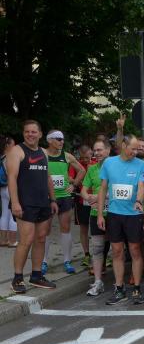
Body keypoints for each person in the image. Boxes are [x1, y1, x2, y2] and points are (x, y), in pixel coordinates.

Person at [96, 135, 144, 305]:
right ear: (124, 145)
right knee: (117, 251)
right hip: (114, 214)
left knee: (135, 250)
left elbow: (141, 186)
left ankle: (137, 288)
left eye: (137, 149)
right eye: (133, 148)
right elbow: (103, 189)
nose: (136, 152)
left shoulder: (141, 164)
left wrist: (139, 201)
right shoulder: (109, 163)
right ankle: (119, 288)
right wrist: (100, 214)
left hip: (133, 215)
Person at [7, 120, 59, 293]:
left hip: (43, 202)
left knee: (41, 238)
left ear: (40, 134)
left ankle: (36, 276)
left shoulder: (43, 152)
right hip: (25, 204)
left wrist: (53, 200)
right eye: (27, 131)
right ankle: (17, 278)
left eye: (33, 131)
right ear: (23, 133)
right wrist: (15, 202)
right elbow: (12, 178)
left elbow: (48, 177)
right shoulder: (17, 151)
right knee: (26, 240)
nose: (30, 134)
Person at [43, 129, 85, 275]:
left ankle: (67, 260)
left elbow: (82, 170)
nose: (62, 141)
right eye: (58, 139)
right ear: (49, 140)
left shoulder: (66, 155)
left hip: (64, 196)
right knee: (45, 230)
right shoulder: (43, 154)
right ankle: (43, 261)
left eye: (62, 139)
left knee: (65, 227)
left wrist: (74, 185)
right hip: (47, 197)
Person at [80, 138, 111, 296]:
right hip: (96, 214)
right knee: (97, 248)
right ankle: (98, 282)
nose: (97, 153)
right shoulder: (92, 169)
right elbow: (83, 190)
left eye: (100, 150)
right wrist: (88, 198)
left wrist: (98, 197)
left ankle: (122, 283)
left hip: (115, 213)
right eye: (95, 150)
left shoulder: (116, 167)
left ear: (108, 150)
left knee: (119, 249)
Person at [0, 135, 17, 248]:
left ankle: (3, 240)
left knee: (5, 213)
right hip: (11, 187)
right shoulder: (11, 157)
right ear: (7, 145)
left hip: (2, 188)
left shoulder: (1, 157)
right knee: (13, 214)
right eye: (13, 145)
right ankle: (12, 241)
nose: (15, 147)